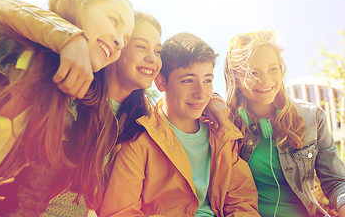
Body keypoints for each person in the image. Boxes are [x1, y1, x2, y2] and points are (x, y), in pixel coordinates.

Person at [0, 0, 134, 215]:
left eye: (125, 38)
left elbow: (28, 201)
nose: (119, 41)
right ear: (78, 5)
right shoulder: (1, 43)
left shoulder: (68, 111)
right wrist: (68, 37)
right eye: (114, 20)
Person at [99, 32, 259, 217]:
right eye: (188, 81)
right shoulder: (138, 140)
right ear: (161, 82)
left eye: (207, 80)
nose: (200, 93)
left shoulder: (223, 133)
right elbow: (120, 211)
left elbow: (242, 203)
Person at [224, 30, 345, 217]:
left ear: (282, 68)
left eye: (272, 68)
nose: (265, 81)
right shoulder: (224, 125)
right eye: (253, 72)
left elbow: (336, 181)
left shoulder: (312, 118)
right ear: (234, 78)